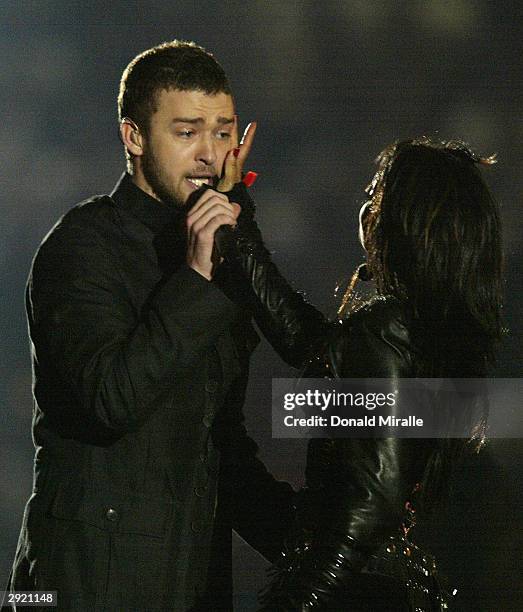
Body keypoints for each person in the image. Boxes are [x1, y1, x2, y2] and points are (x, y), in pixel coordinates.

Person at [4, 40, 325, 612]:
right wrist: (198, 275)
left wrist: (326, 551)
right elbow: (112, 396)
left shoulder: (223, 256)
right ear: (134, 137)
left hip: (187, 582)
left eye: (223, 132)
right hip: (77, 585)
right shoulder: (82, 244)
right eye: (187, 132)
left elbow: (220, 446)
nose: (209, 153)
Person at [223, 137, 503, 610]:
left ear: (405, 222)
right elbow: (304, 339)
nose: (366, 208)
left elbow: (369, 505)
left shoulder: (388, 333)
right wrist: (236, 213)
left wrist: (293, 603)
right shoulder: (423, 334)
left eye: (377, 193)